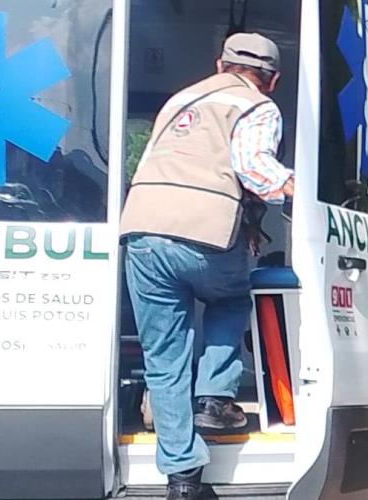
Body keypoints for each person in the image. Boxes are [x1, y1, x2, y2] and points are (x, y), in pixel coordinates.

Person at [120, 33, 294, 500]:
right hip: (206, 232)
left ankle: (183, 482)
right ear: (272, 80)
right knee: (233, 297)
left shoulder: (181, 99)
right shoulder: (257, 105)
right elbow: (253, 165)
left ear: (220, 64)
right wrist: (297, 189)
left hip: (142, 229)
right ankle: (215, 398)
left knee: (165, 358)